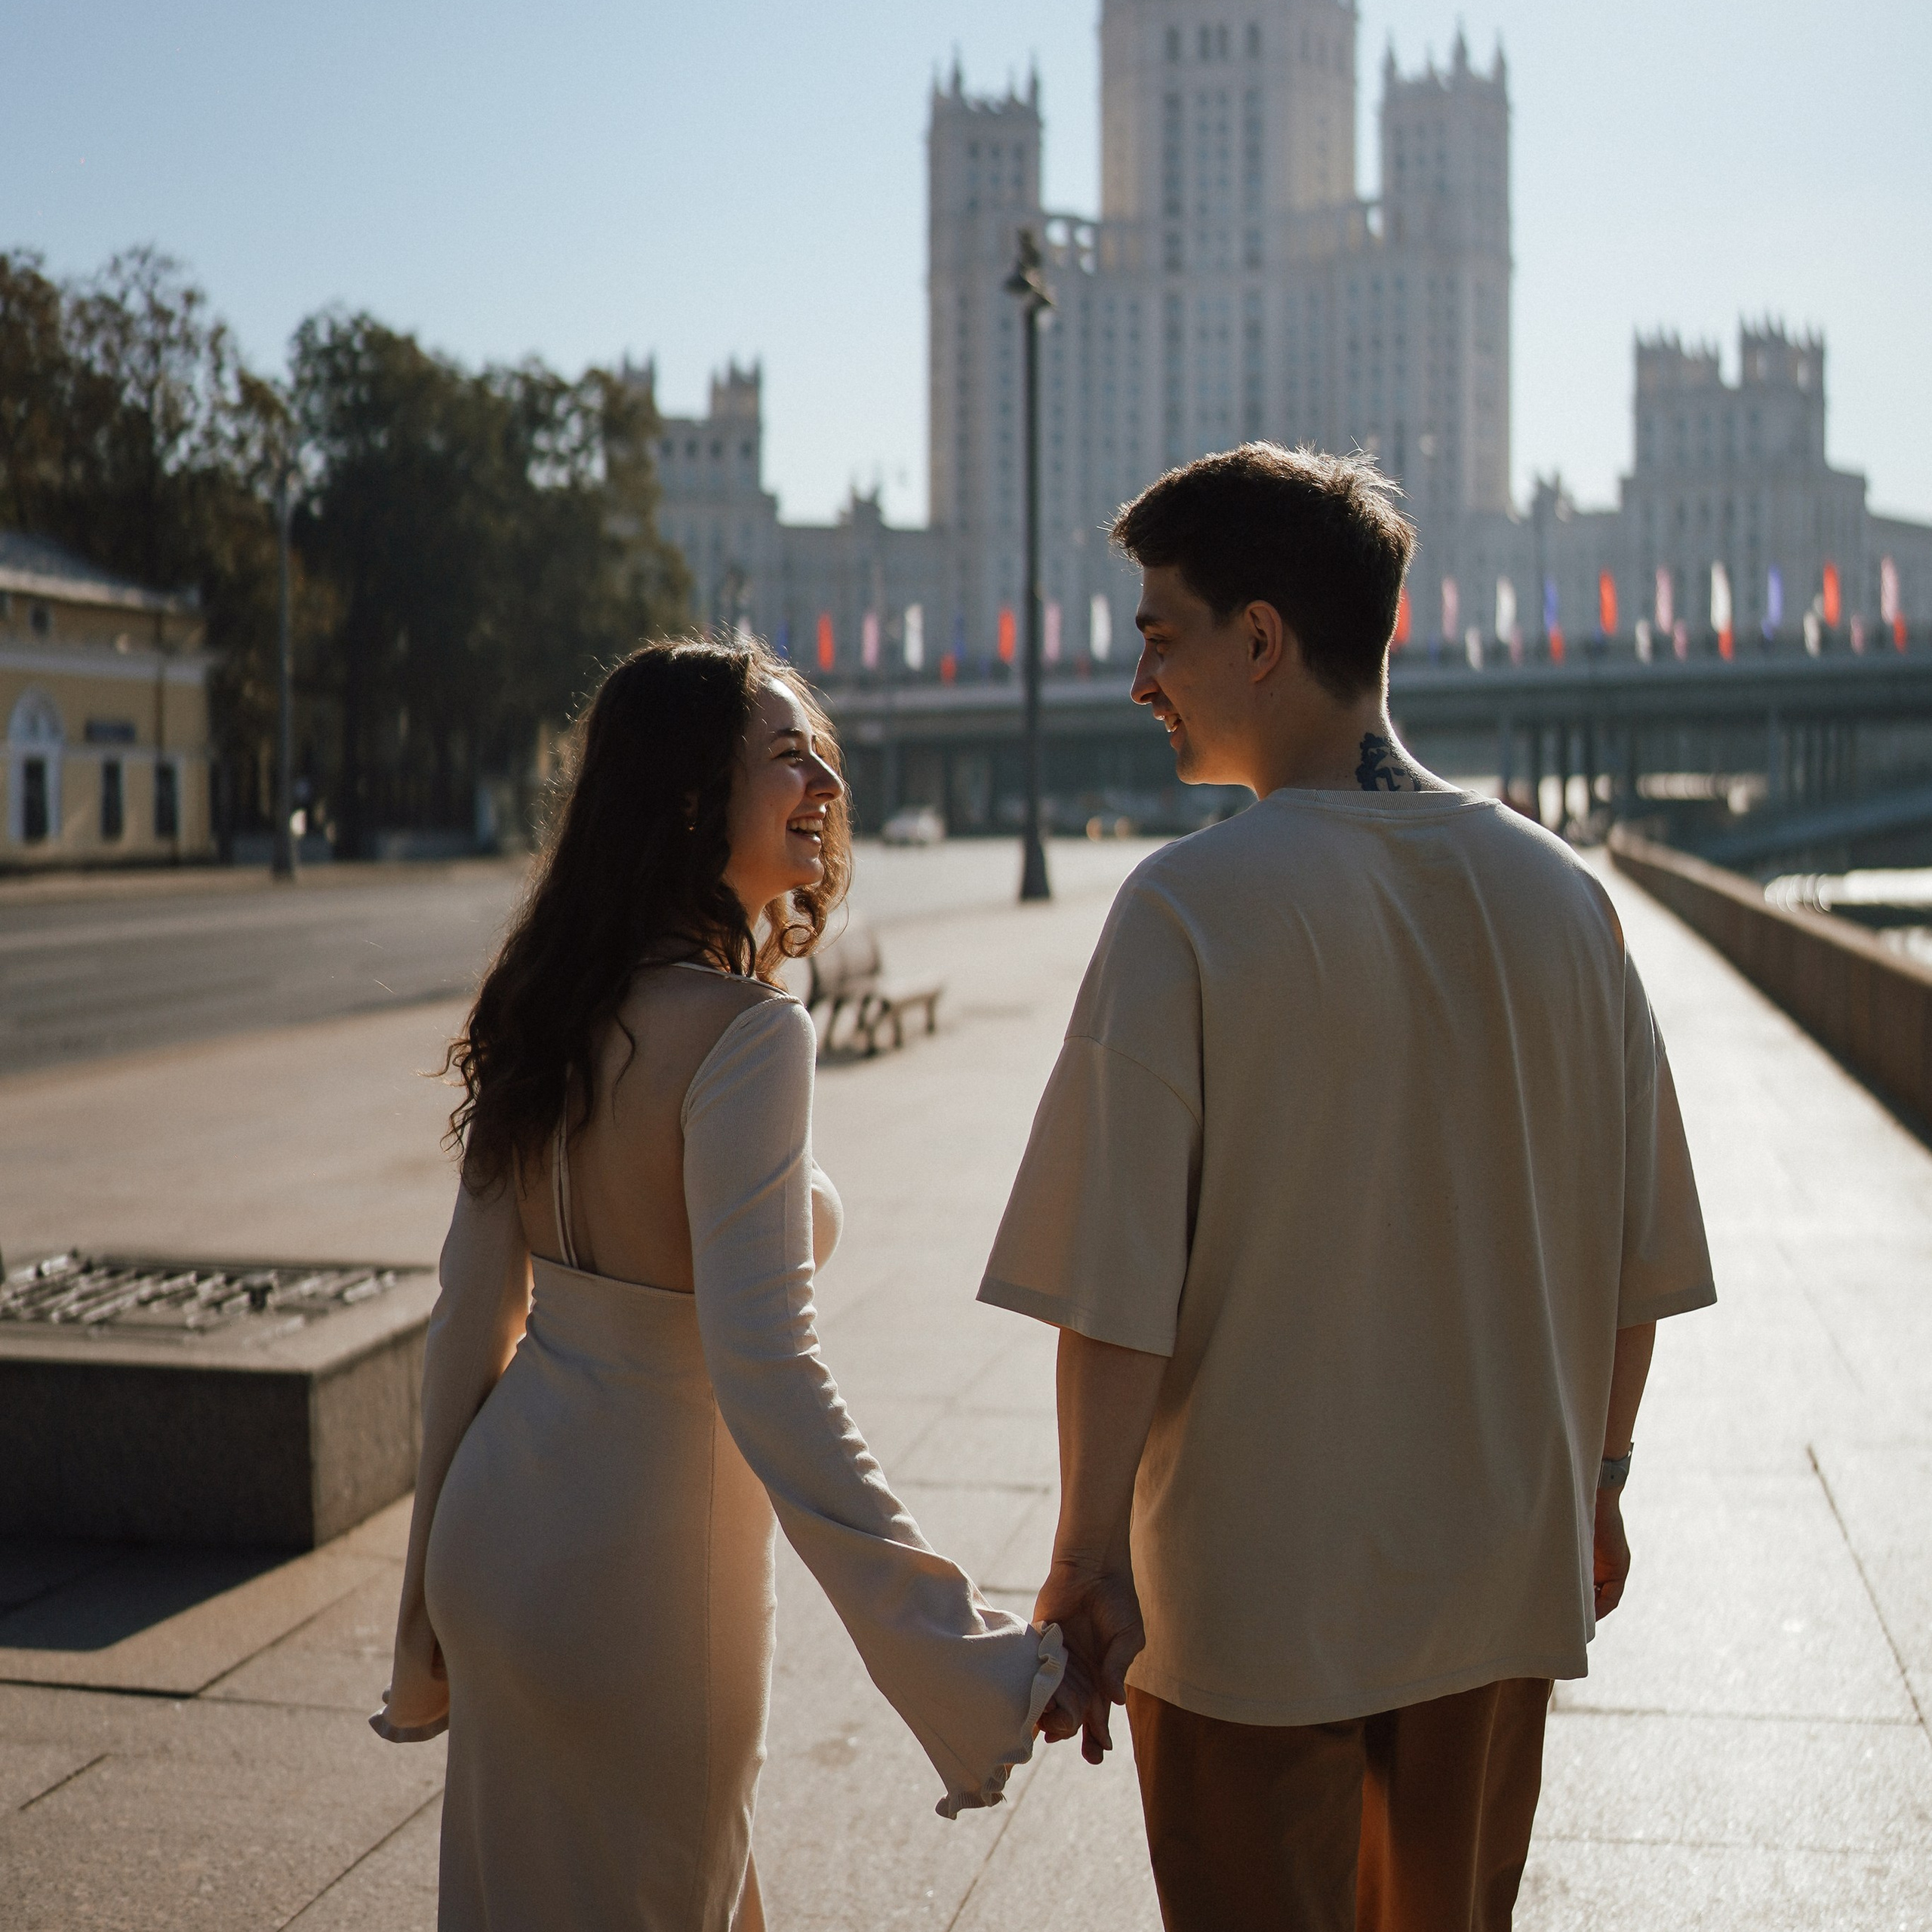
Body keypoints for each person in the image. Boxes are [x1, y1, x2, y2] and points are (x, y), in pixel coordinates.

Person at [977, 445, 1715, 1931]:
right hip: (1496, 1592)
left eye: (1159, 635)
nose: (1140, 681)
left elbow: (1115, 1294)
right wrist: (1602, 1484)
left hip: (1253, 1609)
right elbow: (1639, 1268)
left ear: (1259, 639)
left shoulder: (1188, 907)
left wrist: (1085, 1559)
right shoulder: (1568, 899)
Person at [371, 637, 1075, 1930]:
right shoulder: (750, 1035)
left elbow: (471, 1317)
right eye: (786, 754)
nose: (825, 779)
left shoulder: (540, 1007)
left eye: (823, 752)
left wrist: (424, 1615)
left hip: (501, 1547)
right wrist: (960, 1656)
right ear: (692, 800)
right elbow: (770, 1370)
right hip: (648, 1563)